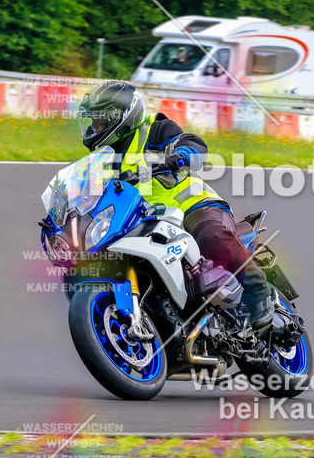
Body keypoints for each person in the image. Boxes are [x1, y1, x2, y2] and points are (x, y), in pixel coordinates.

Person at [76, 80, 273, 329]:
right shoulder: (100, 161)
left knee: (212, 237)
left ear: (121, 114)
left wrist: (180, 156)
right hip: (146, 225)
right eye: (92, 121)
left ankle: (258, 292)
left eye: (100, 120)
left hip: (193, 207)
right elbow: (86, 199)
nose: (95, 126)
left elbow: (194, 145)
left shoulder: (154, 129)